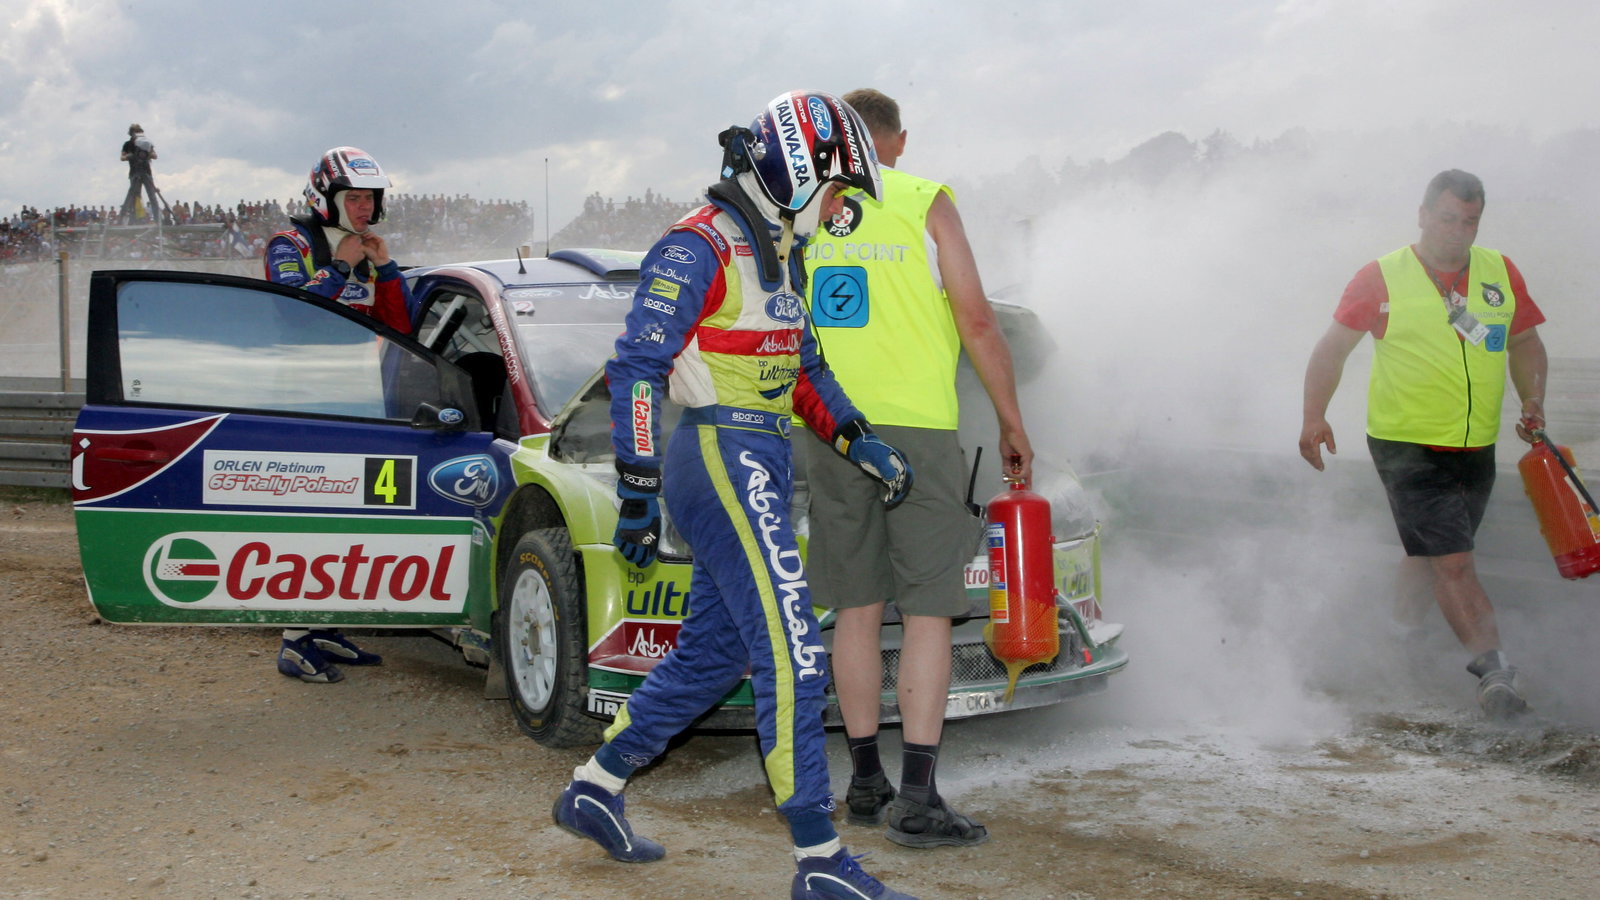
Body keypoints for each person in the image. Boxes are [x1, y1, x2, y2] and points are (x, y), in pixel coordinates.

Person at [551, 90, 919, 900]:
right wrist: (638, 486)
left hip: (757, 458)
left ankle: (595, 787)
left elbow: (804, 369)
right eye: (837, 188)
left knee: (717, 653)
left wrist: (859, 439)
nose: (841, 207)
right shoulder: (700, 245)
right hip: (719, 453)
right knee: (793, 651)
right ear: (798, 172)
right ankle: (819, 860)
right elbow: (635, 370)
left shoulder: (782, 249)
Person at [800, 88, 1031, 848]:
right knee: (928, 608)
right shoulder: (923, 199)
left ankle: (865, 780)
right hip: (917, 430)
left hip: (829, 427)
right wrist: (1010, 420)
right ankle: (919, 797)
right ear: (897, 142)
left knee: (856, 606)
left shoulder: (805, 210)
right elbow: (976, 318)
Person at [1299, 169, 1547, 720]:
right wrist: (1314, 416)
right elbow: (1332, 349)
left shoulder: (1500, 271)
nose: (1459, 231)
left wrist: (1533, 399)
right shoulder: (1381, 276)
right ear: (1423, 214)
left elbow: (1527, 341)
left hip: (1476, 445)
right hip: (1406, 445)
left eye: (1470, 221)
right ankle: (1495, 676)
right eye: (1447, 218)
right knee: (1454, 561)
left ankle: (1397, 641)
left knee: (1429, 554)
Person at [262, 146, 415, 682]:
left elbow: (401, 329)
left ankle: (322, 625)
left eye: (371, 199)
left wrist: (385, 267)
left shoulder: (367, 248)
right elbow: (292, 312)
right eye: (354, 198)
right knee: (306, 523)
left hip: (358, 403)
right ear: (325, 196)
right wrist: (341, 265)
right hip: (302, 405)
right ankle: (292, 640)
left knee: (347, 522)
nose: (365, 208)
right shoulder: (291, 244)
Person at [119, 124, 160, 223]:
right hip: (134, 173)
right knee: (134, 197)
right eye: (136, 132)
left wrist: (147, 154)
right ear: (132, 133)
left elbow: (155, 155)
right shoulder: (128, 144)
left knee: (152, 196)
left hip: (146, 172)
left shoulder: (146, 143)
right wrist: (130, 156)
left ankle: (157, 219)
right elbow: (122, 157)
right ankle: (133, 219)